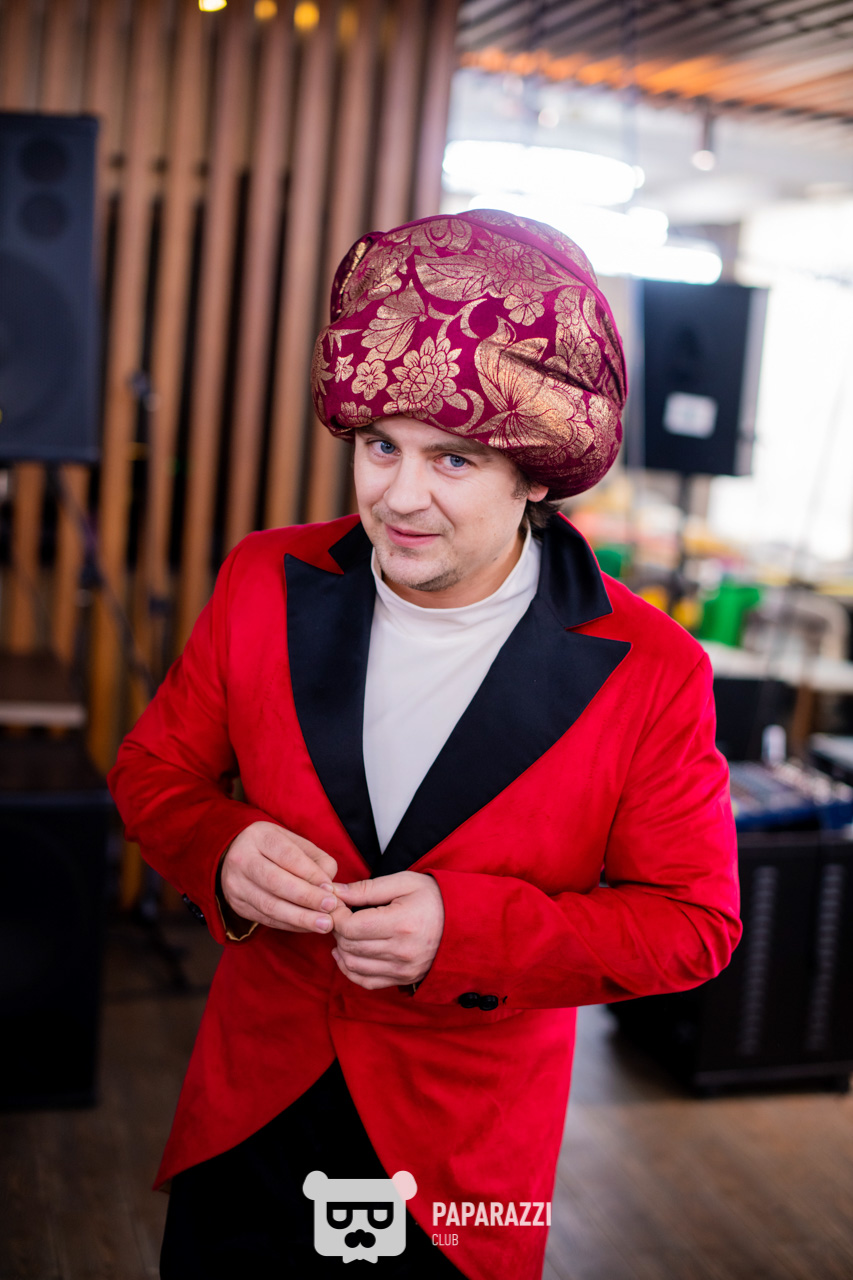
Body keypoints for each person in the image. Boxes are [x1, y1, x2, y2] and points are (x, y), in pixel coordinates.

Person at [108, 209, 741, 1280]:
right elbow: (152, 769)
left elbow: (692, 925)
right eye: (380, 447)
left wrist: (466, 931)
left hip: (458, 1160)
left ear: (535, 475)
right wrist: (219, 846)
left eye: (453, 458)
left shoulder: (651, 668)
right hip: (250, 1111)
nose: (399, 497)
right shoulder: (263, 577)